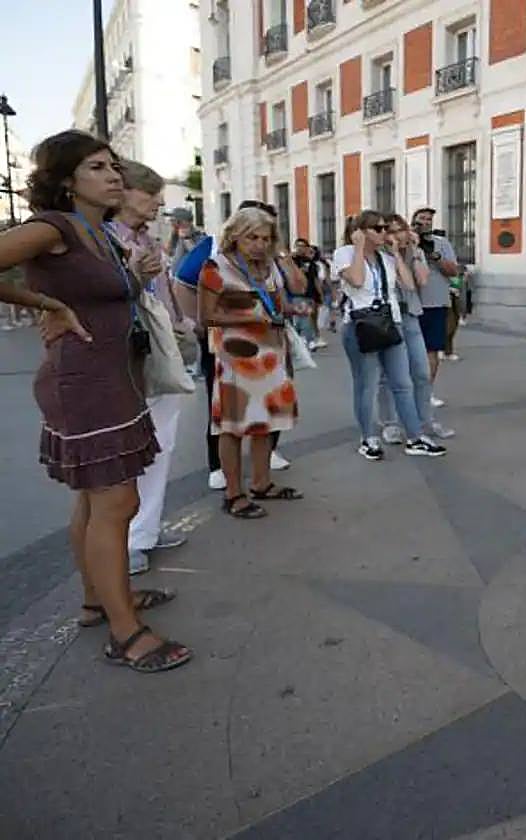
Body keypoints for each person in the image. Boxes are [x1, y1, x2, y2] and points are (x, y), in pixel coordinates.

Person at [0, 130, 190, 672]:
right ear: (66, 181)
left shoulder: (97, 230)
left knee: (93, 500)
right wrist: (43, 303)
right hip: (84, 384)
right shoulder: (53, 227)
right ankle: (125, 633)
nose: (114, 176)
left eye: (114, 166)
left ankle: (100, 600)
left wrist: (132, 277)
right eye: (98, 167)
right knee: (116, 503)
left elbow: (102, 290)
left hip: (111, 380)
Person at [176, 200, 301, 488]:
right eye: (252, 237)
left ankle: (261, 483)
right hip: (234, 357)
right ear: (235, 235)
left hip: (270, 354)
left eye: (265, 238)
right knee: (231, 428)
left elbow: (276, 305)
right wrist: (248, 317)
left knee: (265, 424)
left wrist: (290, 310)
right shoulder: (216, 266)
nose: (259, 244)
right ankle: (234, 493)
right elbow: (207, 318)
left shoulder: (268, 267)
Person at [108, 161, 189, 575]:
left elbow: (165, 293)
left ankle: (147, 530)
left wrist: (182, 325)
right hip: (129, 355)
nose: (159, 201)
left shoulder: (148, 239)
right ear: (123, 193)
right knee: (132, 447)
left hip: (161, 346)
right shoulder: (106, 237)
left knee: (163, 443)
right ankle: (127, 539)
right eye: (150, 193)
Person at [334, 210, 447, 461]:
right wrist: (360, 248)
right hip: (360, 325)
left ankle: (415, 437)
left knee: (403, 383)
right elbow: (356, 279)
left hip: (390, 323)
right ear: (361, 232)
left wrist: (396, 253)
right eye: (378, 228)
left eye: (386, 228)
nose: (385, 232)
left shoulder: (386, 258)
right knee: (367, 384)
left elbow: (408, 284)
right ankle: (368, 438)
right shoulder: (345, 255)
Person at [376, 214, 455, 445]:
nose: (398, 235)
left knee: (421, 373)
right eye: (391, 231)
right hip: (387, 317)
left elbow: (421, 280)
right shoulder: (380, 257)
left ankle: (425, 420)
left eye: (401, 230)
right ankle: (390, 423)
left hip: (411, 313)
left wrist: (416, 251)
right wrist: (393, 253)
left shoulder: (414, 251)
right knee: (388, 375)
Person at [411, 207, 458, 408]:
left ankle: (426, 392)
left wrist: (436, 257)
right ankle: (410, 391)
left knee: (432, 350)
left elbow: (453, 271)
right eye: (422, 219)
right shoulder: (406, 243)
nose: (426, 222)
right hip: (412, 305)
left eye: (429, 219)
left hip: (435, 303)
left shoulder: (441, 243)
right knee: (411, 352)